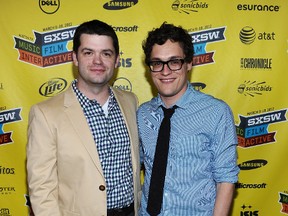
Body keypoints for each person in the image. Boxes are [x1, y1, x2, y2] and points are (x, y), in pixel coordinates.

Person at [27, 19, 141, 216]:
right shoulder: (45, 114)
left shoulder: (130, 101)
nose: (97, 61)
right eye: (88, 53)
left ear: (116, 60)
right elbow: (41, 189)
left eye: (106, 53)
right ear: (75, 58)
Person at [137, 22, 239, 215]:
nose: (165, 71)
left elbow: (226, 179)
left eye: (174, 62)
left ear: (189, 63)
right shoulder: (142, 114)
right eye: (157, 63)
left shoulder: (216, 112)